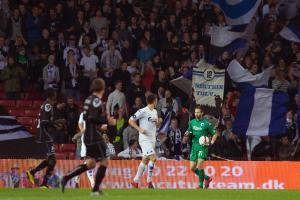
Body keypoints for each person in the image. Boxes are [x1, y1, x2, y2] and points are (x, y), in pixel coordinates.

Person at [60, 78, 115, 195]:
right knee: (105, 161)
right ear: (102, 89)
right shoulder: (96, 100)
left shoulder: (88, 100)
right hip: (93, 136)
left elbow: (86, 118)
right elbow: (91, 118)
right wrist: (107, 120)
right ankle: (95, 190)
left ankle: (66, 177)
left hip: (87, 136)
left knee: (91, 163)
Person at [26, 89, 59, 188]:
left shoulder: (47, 104)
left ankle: (33, 173)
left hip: (45, 133)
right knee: (53, 159)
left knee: (50, 158)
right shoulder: (48, 105)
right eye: (55, 93)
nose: (56, 95)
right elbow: (44, 121)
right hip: (45, 134)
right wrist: (57, 122)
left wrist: (54, 125)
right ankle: (44, 183)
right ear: (52, 95)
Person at [128, 94, 162, 189]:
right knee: (153, 158)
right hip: (144, 139)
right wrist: (139, 129)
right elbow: (130, 120)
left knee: (145, 160)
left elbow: (156, 126)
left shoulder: (155, 111)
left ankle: (135, 181)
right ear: (154, 101)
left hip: (152, 139)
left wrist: (159, 122)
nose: (157, 102)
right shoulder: (143, 111)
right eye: (156, 100)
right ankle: (149, 182)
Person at [185, 105, 217, 189]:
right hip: (194, 146)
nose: (196, 114)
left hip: (203, 147)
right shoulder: (192, 122)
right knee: (192, 168)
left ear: (202, 113)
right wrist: (187, 134)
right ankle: (207, 178)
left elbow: (215, 134)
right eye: (195, 112)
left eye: (198, 112)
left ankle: (200, 185)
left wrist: (212, 142)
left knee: (199, 165)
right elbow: (189, 131)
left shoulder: (206, 123)